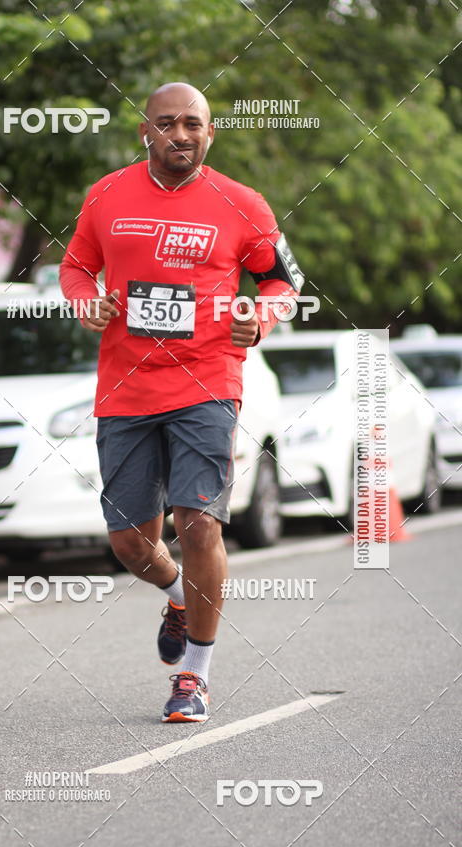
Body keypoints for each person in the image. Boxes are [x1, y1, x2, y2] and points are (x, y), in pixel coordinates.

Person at [60, 82, 303, 722]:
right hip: (126, 388)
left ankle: (194, 675)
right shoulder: (107, 194)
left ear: (210, 132)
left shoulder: (242, 203)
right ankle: (176, 592)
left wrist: (261, 315)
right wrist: (85, 300)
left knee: (199, 522)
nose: (180, 134)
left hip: (207, 382)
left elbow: (284, 280)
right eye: (166, 123)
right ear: (146, 131)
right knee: (129, 544)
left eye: (193, 123)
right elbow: (77, 266)